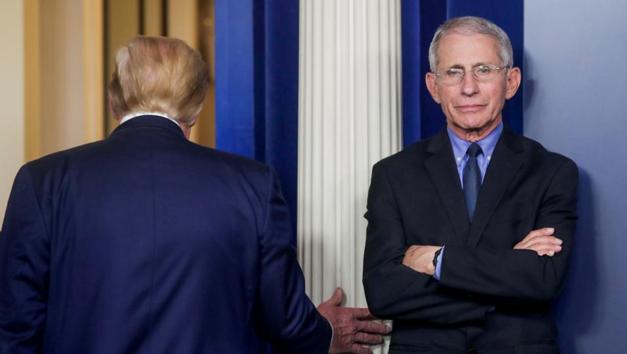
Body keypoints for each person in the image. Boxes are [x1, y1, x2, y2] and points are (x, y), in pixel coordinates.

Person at [0, 36, 388, 354]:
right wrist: (324, 333)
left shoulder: (42, 181)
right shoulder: (252, 183)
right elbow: (284, 318)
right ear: (197, 107)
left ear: (113, 100)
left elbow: (13, 327)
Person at [363, 16, 578, 354]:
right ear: (434, 87)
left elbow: (543, 279)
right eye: (454, 72)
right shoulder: (393, 174)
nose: (468, 87)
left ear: (511, 81)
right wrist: (506, 277)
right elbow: (383, 292)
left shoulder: (552, 172)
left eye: (484, 70)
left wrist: (437, 260)